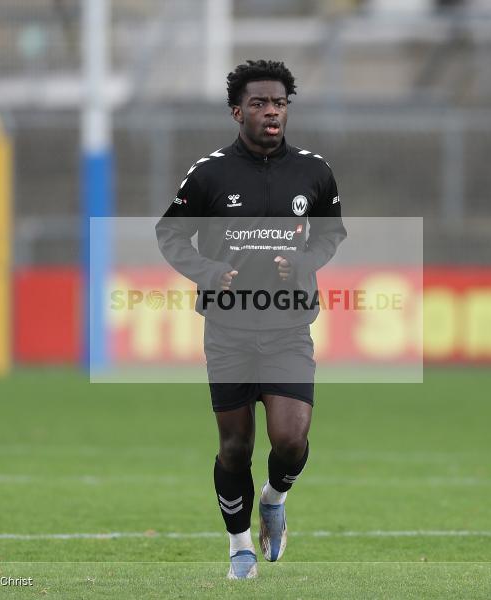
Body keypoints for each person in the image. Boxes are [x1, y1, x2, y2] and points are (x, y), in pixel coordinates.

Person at [155, 59, 346, 579]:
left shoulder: (314, 171)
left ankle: (274, 498)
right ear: (238, 112)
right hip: (229, 331)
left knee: (291, 438)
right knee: (235, 446)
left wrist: (305, 262)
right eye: (259, 103)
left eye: (279, 103)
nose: (271, 112)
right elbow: (170, 233)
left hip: (288, 326)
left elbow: (331, 232)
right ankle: (239, 546)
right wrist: (209, 271)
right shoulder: (210, 173)